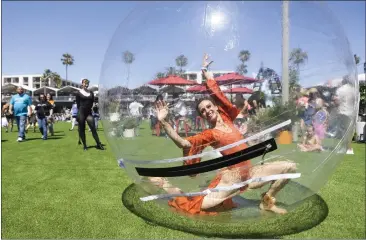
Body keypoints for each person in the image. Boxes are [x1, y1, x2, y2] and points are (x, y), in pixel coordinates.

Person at [152, 54, 297, 215]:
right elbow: (184, 143)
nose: (207, 111)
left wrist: (206, 73)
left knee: (290, 167)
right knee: (195, 204)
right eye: (203, 111)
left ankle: (267, 201)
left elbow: (217, 93)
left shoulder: (227, 119)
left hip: (251, 172)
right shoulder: (210, 134)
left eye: (208, 107)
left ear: (214, 107)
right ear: (202, 116)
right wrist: (164, 122)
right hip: (232, 178)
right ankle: (165, 184)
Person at [76, 78, 104, 151]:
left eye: (87, 83)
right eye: (85, 83)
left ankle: (98, 144)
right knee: (82, 129)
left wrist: (93, 106)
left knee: (93, 128)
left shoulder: (91, 93)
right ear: (82, 84)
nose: (86, 84)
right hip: (81, 112)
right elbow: (78, 104)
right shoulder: (78, 93)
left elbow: (92, 102)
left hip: (88, 112)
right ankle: (85, 145)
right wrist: (79, 114)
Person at [333, 77, 356, 155]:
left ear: (343, 81)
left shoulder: (341, 89)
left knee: (344, 132)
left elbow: (337, 101)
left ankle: (346, 149)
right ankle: (348, 148)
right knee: (349, 131)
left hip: (343, 112)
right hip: (352, 113)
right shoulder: (354, 90)